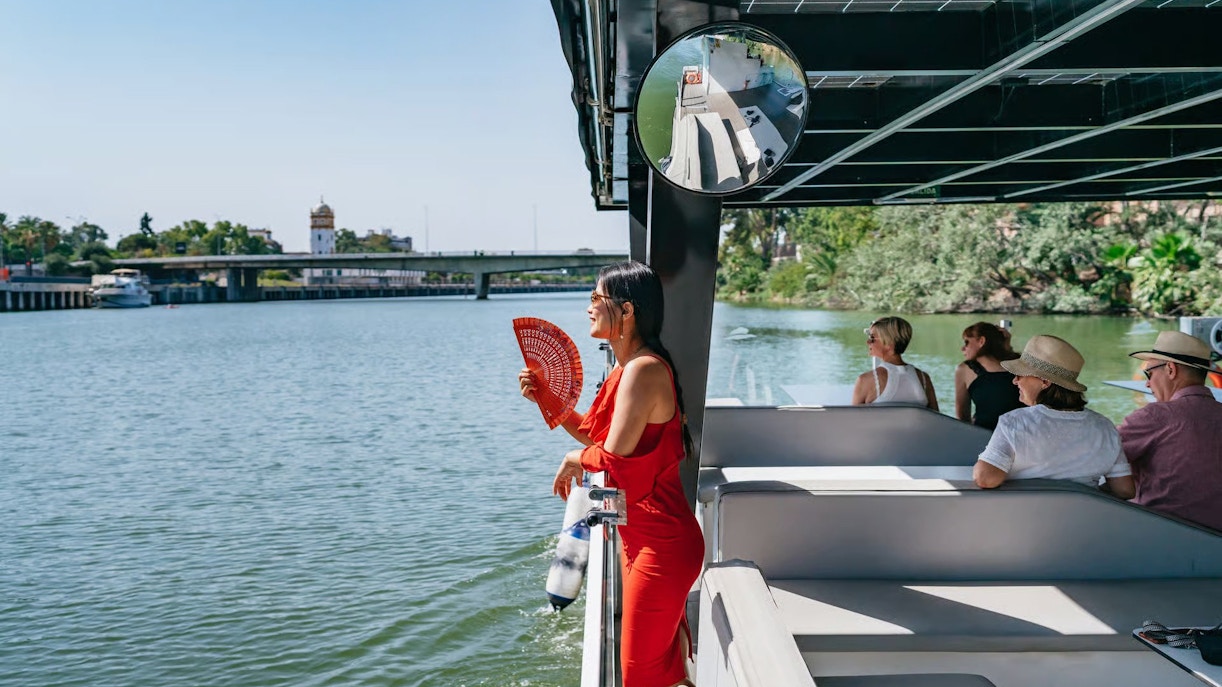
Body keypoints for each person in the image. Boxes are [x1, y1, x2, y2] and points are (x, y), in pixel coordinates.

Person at [519, 261, 701, 687]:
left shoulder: (644, 370)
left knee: (639, 673)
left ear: (627, 310)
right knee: (656, 666)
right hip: (641, 537)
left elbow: (614, 460)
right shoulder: (627, 368)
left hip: (663, 545)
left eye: (595, 299)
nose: (588, 308)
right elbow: (595, 433)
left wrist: (573, 458)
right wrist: (546, 396)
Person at [973, 334, 1135, 496]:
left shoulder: (1015, 422)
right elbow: (1124, 490)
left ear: (1045, 382)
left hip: (1026, 517)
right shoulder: (1104, 427)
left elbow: (985, 478)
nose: (1015, 381)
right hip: (1085, 518)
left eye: (1021, 374)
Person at [1118, 331, 1222, 531]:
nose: (1147, 383)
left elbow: (1096, 457)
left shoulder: (1155, 417)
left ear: (1170, 369)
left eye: (1150, 373)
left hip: (1163, 538)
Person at [851, 316, 938, 410]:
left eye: (872, 338)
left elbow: (854, 421)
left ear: (889, 344)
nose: (868, 342)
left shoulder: (866, 380)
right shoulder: (924, 379)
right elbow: (937, 419)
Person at [954, 321, 1022, 430]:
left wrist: (1006, 347)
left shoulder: (1019, 364)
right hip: (983, 436)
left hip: (1019, 436)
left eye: (967, 342)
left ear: (981, 341)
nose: (963, 348)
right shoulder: (964, 369)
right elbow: (962, 417)